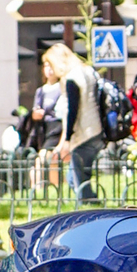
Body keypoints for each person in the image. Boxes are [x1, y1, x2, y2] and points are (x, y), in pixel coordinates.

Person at [47, 42, 106, 203]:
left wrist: (67, 138)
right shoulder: (88, 71)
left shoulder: (71, 77)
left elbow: (72, 110)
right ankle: (90, 204)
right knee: (74, 176)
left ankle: (89, 206)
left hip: (84, 132)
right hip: (96, 129)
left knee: (80, 180)